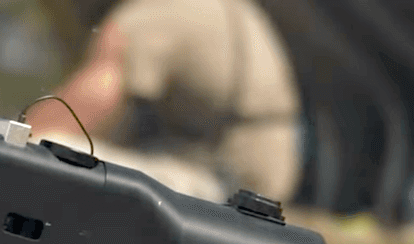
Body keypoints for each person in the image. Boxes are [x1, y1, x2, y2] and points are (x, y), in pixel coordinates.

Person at [25, 0, 303, 206]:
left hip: (225, 188)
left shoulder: (156, 13)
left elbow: (87, 104)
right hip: (253, 182)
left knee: (44, 148)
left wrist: (6, 143)